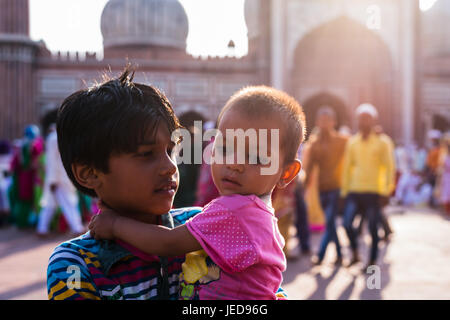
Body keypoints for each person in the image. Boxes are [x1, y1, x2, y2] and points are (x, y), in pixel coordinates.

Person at [89, 85, 306, 300]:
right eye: (225, 149)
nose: (235, 164)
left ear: (287, 172)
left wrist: (115, 225)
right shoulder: (260, 214)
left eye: (257, 158)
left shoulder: (234, 210)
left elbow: (168, 243)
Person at [46, 66, 202, 300]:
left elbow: (263, 289)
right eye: (146, 154)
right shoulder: (75, 263)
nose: (169, 166)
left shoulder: (199, 227)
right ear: (90, 173)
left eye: (171, 151)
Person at [341, 103, 395, 270]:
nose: (364, 122)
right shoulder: (353, 142)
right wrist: (344, 193)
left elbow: (389, 168)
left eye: (367, 118)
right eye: (361, 118)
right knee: (347, 224)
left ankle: (371, 262)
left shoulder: (383, 142)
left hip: (374, 192)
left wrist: (386, 191)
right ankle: (356, 253)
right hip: (355, 191)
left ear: (373, 121)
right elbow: (347, 168)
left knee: (373, 229)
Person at [304, 107, 347, 266]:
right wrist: (305, 184)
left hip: (337, 188)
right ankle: (340, 255)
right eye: (321, 120)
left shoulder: (342, 141)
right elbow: (308, 168)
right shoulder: (314, 144)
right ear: (317, 122)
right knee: (330, 223)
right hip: (322, 188)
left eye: (327, 120)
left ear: (334, 122)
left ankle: (321, 256)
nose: (324, 124)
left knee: (329, 222)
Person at [36, 122, 85, 237]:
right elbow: (52, 161)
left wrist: (52, 179)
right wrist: (53, 180)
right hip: (60, 178)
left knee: (51, 204)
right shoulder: (57, 139)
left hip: (58, 177)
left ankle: (42, 229)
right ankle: (77, 227)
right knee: (67, 203)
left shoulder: (54, 138)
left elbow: (52, 161)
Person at [8, 125, 45, 228]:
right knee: (31, 199)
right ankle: (28, 222)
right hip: (30, 177)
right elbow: (35, 162)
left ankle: (23, 221)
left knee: (23, 199)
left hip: (21, 177)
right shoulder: (34, 144)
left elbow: (13, 165)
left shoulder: (21, 146)